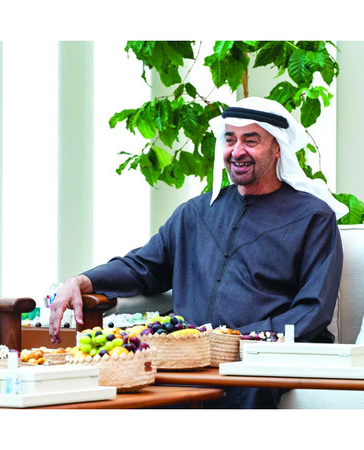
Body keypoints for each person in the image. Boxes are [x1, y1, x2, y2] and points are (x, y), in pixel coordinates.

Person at [49, 96, 347, 408]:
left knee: (246, 388)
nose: (237, 151)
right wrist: (81, 281)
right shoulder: (195, 213)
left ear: (278, 149)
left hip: (262, 359)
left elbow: (313, 310)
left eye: (251, 141)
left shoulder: (313, 218)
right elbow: (143, 266)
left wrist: (240, 339)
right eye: (230, 140)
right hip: (188, 355)